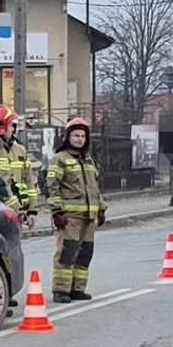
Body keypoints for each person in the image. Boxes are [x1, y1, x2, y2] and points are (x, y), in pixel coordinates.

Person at [47, 117, 106, 304]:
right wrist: (57, 211)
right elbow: (52, 186)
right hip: (69, 217)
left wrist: (101, 209)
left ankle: (77, 289)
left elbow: (94, 187)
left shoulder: (88, 160)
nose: (79, 139)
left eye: (82, 136)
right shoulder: (60, 159)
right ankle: (60, 290)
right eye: (76, 135)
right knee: (66, 253)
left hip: (89, 216)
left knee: (85, 253)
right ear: (68, 137)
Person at [6, 118, 38, 230]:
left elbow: (29, 182)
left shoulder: (20, 150)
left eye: (11, 127)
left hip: (16, 212)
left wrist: (32, 210)